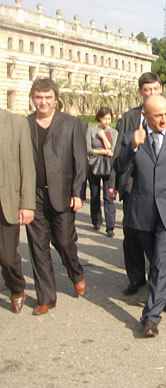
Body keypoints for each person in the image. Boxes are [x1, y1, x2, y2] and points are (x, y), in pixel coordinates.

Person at [115, 95, 166, 337]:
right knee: (155, 261)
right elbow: (120, 168)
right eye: (157, 115)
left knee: (161, 263)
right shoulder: (133, 137)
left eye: (165, 114)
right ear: (146, 115)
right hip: (141, 210)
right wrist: (131, 146)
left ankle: (151, 317)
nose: (163, 119)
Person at [110, 72, 166, 300]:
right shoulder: (129, 117)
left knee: (156, 241)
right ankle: (135, 278)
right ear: (141, 92)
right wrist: (114, 184)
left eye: (155, 88)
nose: (151, 92)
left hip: (161, 186)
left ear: (161, 88)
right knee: (132, 234)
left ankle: (161, 284)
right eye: (147, 89)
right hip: (133, 184)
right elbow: (119, 154)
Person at [26, 78, 87, 315]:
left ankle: (76, 273)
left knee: (63, 242)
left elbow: (80, 160)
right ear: (33, 99)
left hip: (62, 194)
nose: (43, 102)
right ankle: (46, 298)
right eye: (39, 98)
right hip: (34, 195)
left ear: (56, 99)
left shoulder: (71, 124)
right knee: (37, 246)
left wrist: (78, 192)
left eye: (48, 97)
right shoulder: (26, 124)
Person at [0, 109, 36, 313]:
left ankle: (16, 286)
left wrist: (27, 203)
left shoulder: (15, 123)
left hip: (7, 200)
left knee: (6, 256)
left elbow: (27, 167)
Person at [87, 107, 118, 237]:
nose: (106, 121)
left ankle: (110, 226)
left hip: (108, 166)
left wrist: (104, 137)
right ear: (99, 118)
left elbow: (113, 149)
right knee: (94, 195)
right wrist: (101, 152)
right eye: (104, 118)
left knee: (108, 196)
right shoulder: (91, 130)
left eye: (109, 119)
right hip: (93, 165)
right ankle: (96, 221)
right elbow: (88, 149)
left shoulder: (114, 132)